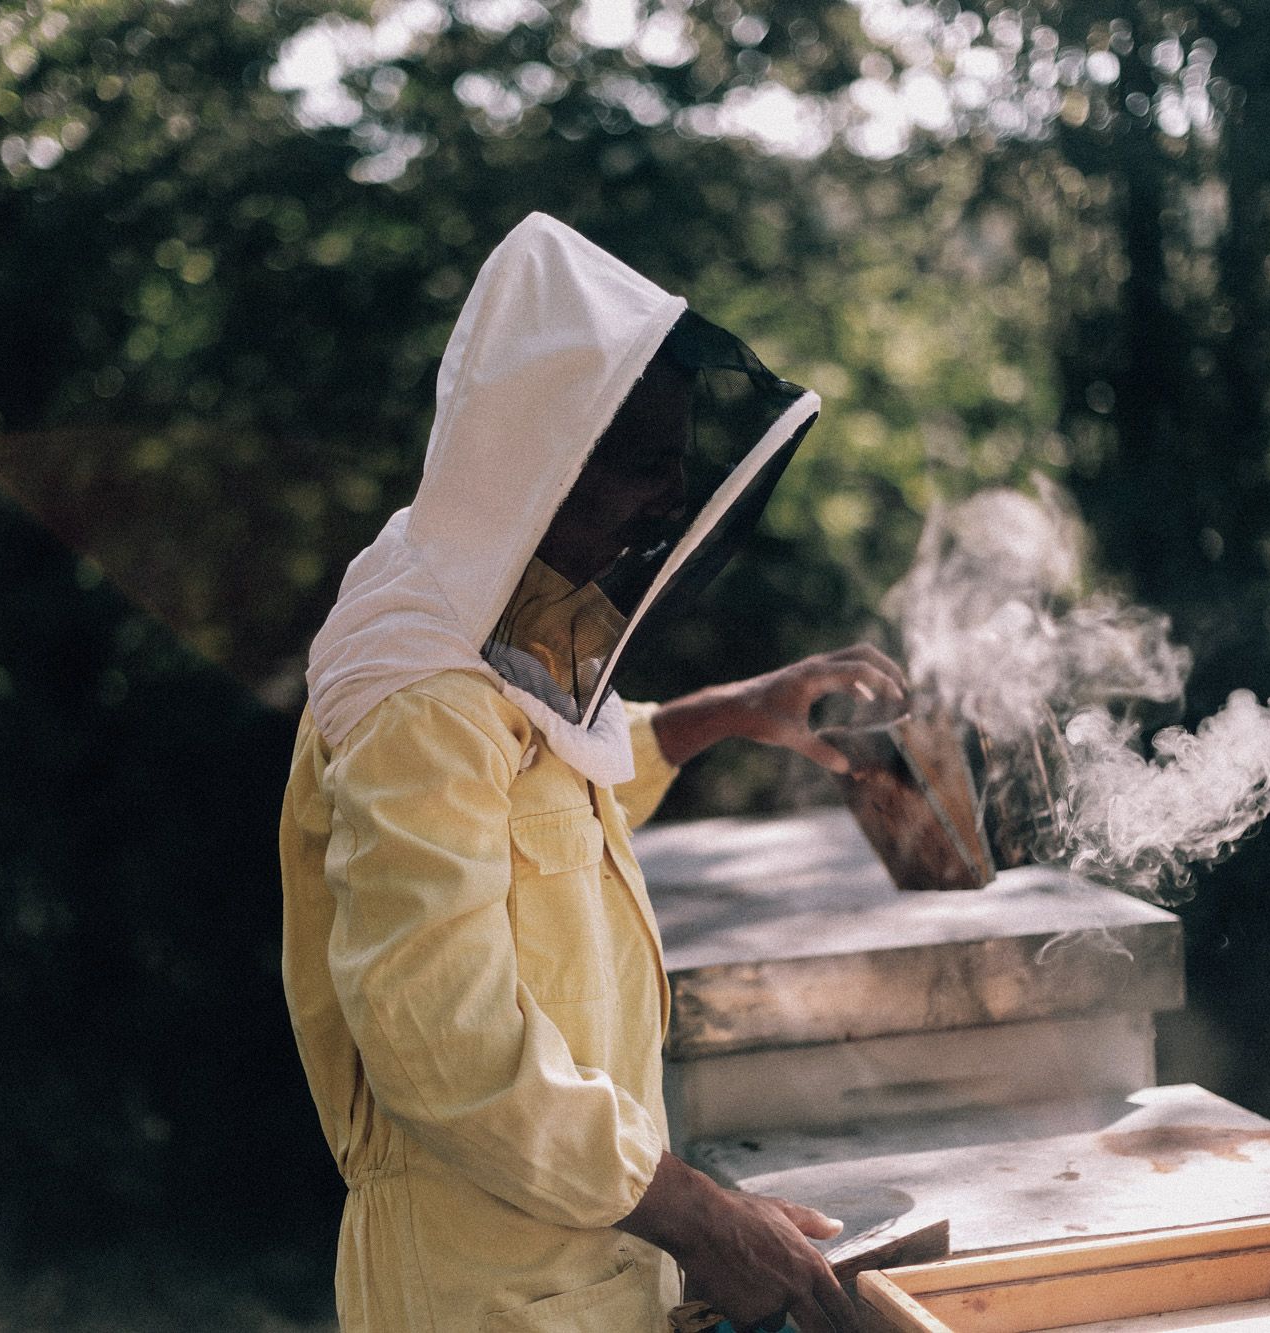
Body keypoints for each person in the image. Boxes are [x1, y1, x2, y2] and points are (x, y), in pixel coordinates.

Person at [279, 212, 904, 1332]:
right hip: (483, 1287)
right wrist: (700, 1213)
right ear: (541, 460)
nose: (668, 504)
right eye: (645, 469)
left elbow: (539, 799)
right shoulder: (421, 691)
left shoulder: (467, 600)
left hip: (572, 1260)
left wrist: (726, 712)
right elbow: (443, 1041)